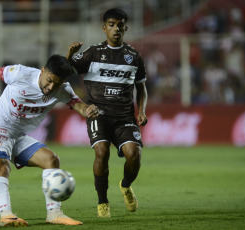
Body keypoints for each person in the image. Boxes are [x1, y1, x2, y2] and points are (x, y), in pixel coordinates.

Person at [0, 54, 99, 227]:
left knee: (51, 160)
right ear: (43, 70)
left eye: (57, 84)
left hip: (17, 136)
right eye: (50, 80)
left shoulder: (62, 89)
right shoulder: (21, 74)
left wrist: (88, 109)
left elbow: (78, 105)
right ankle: (6, 215)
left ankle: (54, 213)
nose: (51, 87)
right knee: (1, 166)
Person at [66, 8, 148, 218]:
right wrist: (69, 55)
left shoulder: (134, 57)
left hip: (125, 117)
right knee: (102, 152)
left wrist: (142, 111)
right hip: (98, 114)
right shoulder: (93, 53)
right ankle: (103, 202)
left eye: (120, 25)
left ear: (125, 28)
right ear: (104, 28)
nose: (116, 29)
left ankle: (126, 185)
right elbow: (65, 72)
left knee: (134, 155)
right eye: (111, 24)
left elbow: (142, 88)